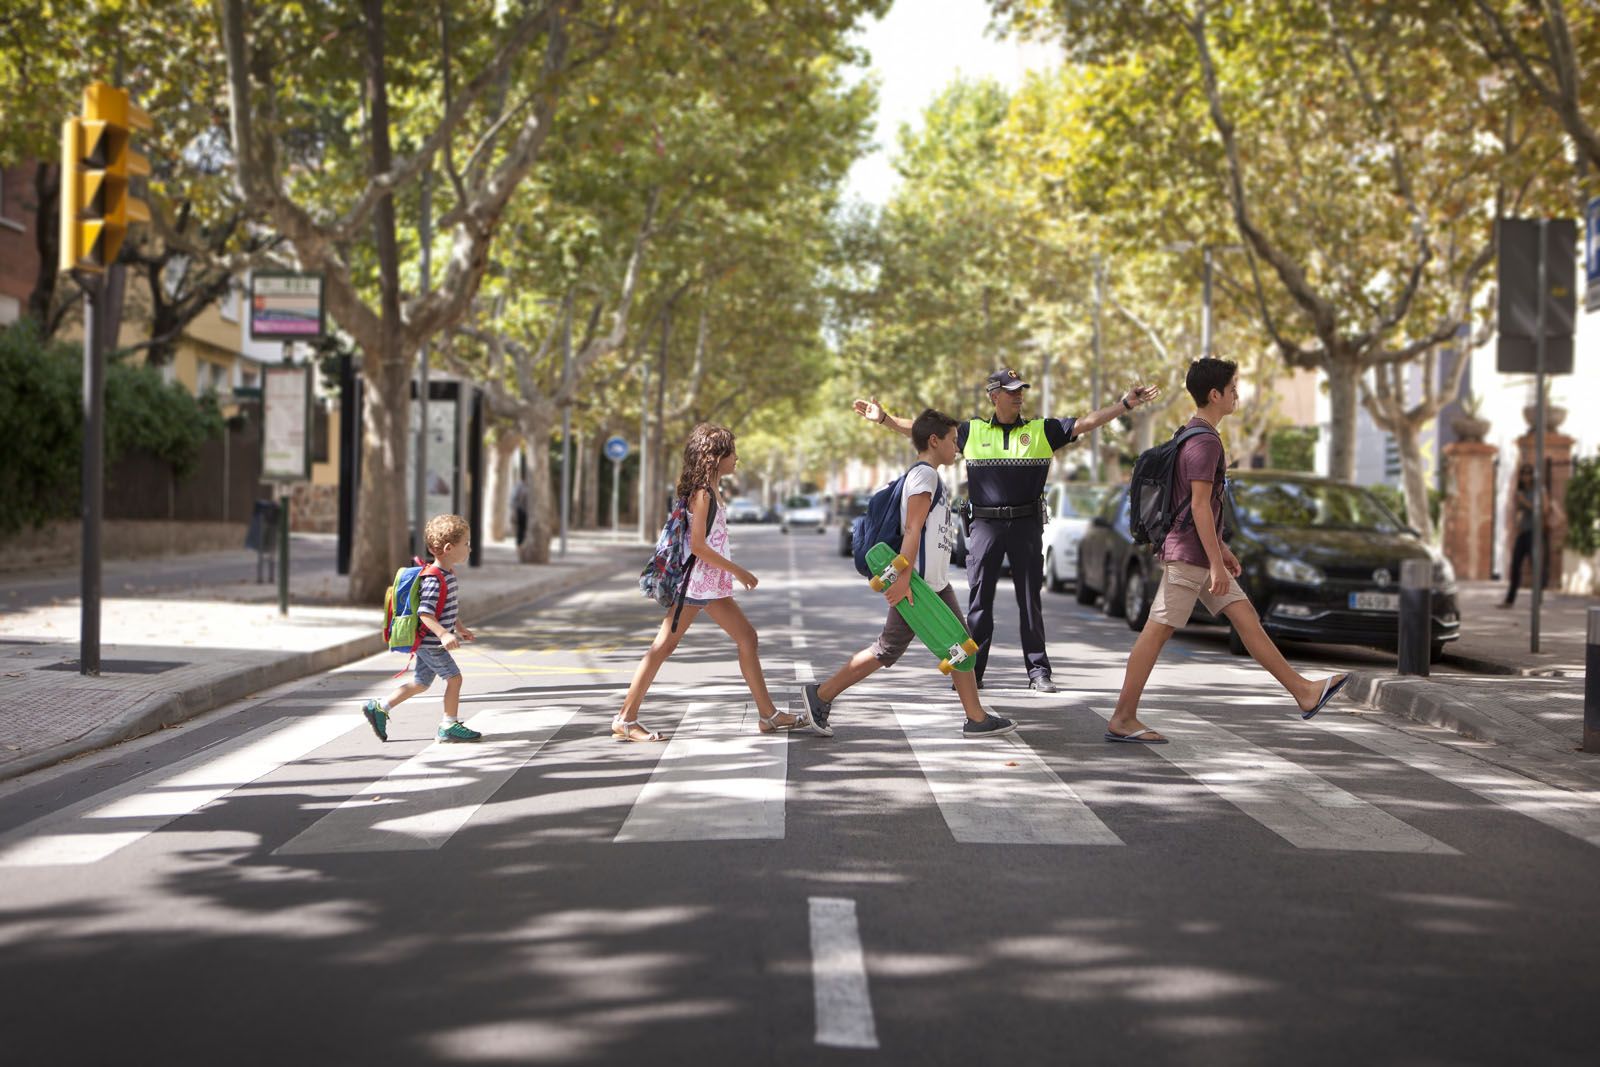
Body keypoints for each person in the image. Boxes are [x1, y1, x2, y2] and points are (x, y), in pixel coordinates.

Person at [856, 368, 1160, 692]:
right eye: (1011, 391)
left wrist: (1124, 405)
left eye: (1021, 391)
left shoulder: (1042, 430)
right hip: (985, 526)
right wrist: (885, 418)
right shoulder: (971, 432)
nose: (1018, 396)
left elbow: (1086, 422)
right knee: (979, 603)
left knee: (1030, 601)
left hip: (1026, 525)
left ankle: (1039, 671)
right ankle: (974, 671)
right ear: (994, 395)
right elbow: (926, 431)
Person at [1103, 358, 1348, 744]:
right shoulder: (1204, 442)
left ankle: (1303, 692)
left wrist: (1222, 550)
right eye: (1233, 388)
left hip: (1199, 552)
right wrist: (1216, 565)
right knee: (1155, 632)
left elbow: (1196, 505)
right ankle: (1122, 716)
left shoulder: (1193, 434)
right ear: (1214, 394)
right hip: (1189, 555)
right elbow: (1198, 506)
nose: (1238, 394)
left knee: (1245, 616)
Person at [803, 409, 1017, 739]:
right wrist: (903, 580)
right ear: (934, 441)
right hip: (918, 585)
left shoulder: (930, 475)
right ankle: (820, 696)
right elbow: (913, 528)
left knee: (960, 646)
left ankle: (976, 718)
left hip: (934, 583)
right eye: (952, 439)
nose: (957, 445)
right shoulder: (924, 476)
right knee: (889, 648)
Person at [612, 423, 809, 742]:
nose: (737, 459)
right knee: (663, 647)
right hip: (695, 584)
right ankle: (625, 718)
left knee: (747, 637)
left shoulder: (712, 490)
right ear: (715, 457)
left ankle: (768, 715)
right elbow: (699, 545)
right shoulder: (703, 494)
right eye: (733, 453)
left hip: (710, 584)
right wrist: (738, 571)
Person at [361, 513, 483, 743]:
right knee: (454, 679)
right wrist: (443, 634)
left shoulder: (448, 575)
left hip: (432, 642)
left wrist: (459, 627)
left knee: (420, 683)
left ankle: (379, 707)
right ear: (448, 548)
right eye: (465, 543)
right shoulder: (434, 580)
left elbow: (447, 608)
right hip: (431, 644)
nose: (470, 548)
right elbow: (425, 613)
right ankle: (448, 725)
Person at [1500, 465, 1549, 608]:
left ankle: (1537, 600)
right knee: (1515, 565)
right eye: (1523, 474)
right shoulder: (1520, 491)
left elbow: (1544, 510)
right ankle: (1510, 600)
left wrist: (1526, 503)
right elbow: (1516, 511)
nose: (1525, 477)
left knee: (1536, 567)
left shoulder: (1540, 490)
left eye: (1528, 474)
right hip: (1523, 532)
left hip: (1535, 533)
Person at [511, 477, 529, 546]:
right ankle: (520, 546)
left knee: (525, 529)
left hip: (528, 512)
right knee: (521, 529)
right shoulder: (520, 485)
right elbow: (513, 499)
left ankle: (524, 545)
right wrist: (514, 510)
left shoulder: (530, 485)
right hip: (521, 511)